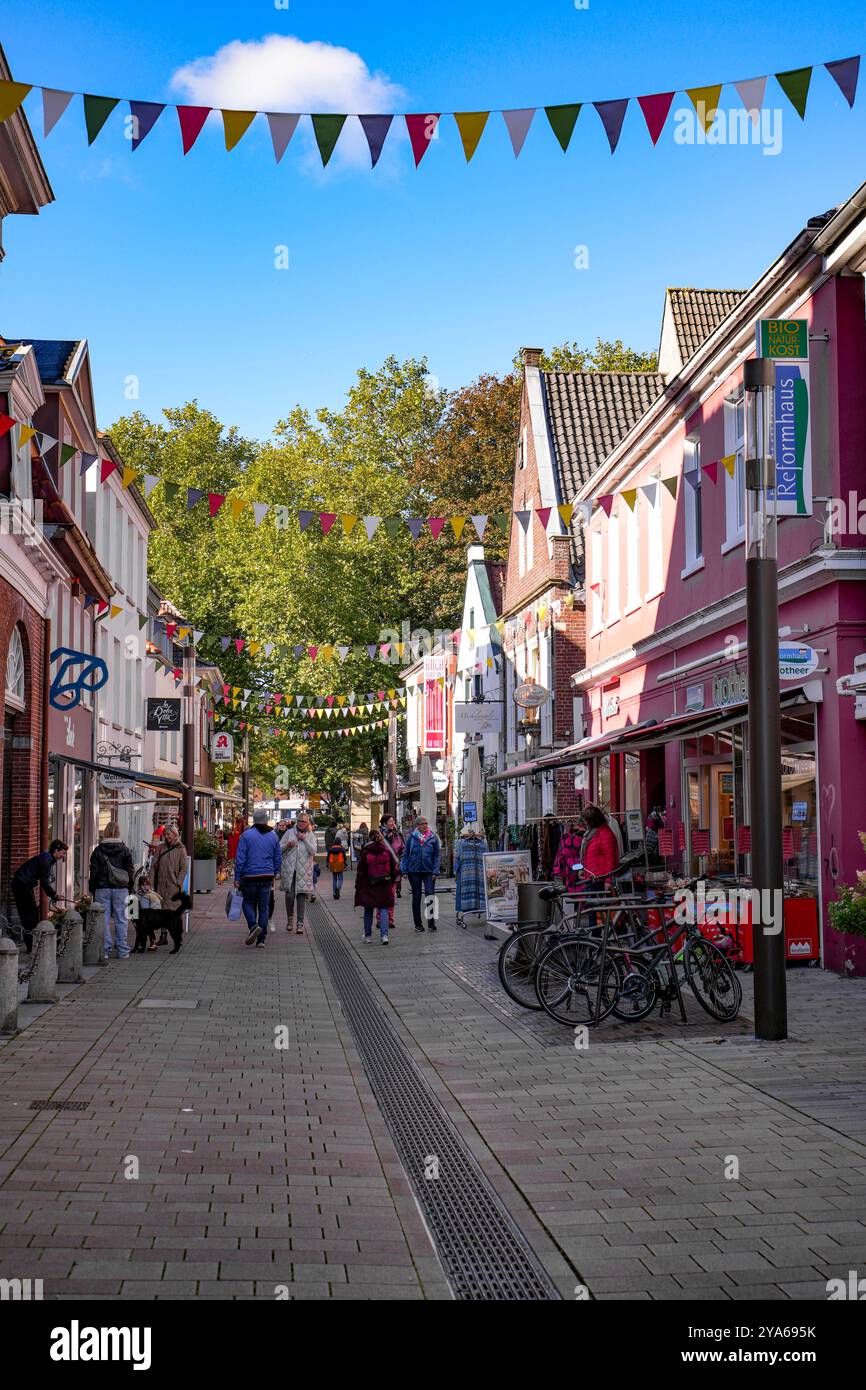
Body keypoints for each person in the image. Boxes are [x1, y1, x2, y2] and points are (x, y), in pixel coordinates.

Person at [234, 808, 281, 947]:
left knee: (247, 903)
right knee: (263, 907)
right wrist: (276, 871)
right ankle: (261, 939)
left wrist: (237, 876)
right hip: (267, 876)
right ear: (265, 820)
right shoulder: (273, 836)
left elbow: (240, 858)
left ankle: (253, 926)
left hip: (250, 876)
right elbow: (277, 857)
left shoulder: (246, 836)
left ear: (254, 820)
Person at [89, 821, 136, 960]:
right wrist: (130, 886)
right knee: (121, 919)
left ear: (106, 832)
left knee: (102, 920)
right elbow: (130, 870)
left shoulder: (98, 850)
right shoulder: (125, 849)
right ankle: (122, 950)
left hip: (102, 889)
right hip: (121, 889)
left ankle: (105, 950)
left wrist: (92, 888)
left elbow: (94, 871)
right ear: (118, 832)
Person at [11, 840, 68, 953]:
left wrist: (53, 894)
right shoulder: (47, 860)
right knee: (30, 916)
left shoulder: (49, 859)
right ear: (56, 851)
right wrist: (54, 895)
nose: (63, 856)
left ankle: (33, 945)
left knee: (31, 915)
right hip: (21, 885)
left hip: (24, 884)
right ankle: (32, 947)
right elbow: (45, 882)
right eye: (63, 853)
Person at [355, 827, 396, 944]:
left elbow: (360, 871)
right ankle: (384, 936)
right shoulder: (386, 851)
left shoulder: (366, 851)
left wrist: (358, 886)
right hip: (384, 884)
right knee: (383, 909)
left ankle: (367, 936)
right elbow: (393, 869)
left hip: (369, 884)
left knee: (368, 910)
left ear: (369, 838)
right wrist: (391, 882)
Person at [400, 815, 441, 933]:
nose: (425, 825)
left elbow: (437, 855)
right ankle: (418, 924)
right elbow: (406, 855)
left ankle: (431, 923)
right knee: (416, 896)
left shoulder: (433, 837)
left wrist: (435, 870)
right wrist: (404, 870)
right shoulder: (411, 838)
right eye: (422, 824)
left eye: (426, 823)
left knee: (430, 894)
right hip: (414, 871)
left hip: (429, 871)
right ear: (417, 826)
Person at [151, 823, 189, 945]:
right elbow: (153, 867)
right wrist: (151, 883)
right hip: (161, 884)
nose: (166, 836)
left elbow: (184, 868)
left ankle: (178, 936)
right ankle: (163, 936)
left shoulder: (180, 848)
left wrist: (178, 883)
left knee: (174, 912)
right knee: (163, 911)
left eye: (168, 834)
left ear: (174, 834)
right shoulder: (160, 848)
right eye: (165, 834)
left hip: (173, 885)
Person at [279, 813, 317, 934]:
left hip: (303, 871)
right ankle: (290, 919)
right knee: (289, 896)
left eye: (304, 821)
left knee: (301, 897)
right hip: (290, 870)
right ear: (297, 821)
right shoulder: (289, 833)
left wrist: (304, 839)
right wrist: (287, 845)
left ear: (308, 823)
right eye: (300, 821)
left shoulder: (310, 835)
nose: (301, 823)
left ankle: (300, 923)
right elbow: (279, 848)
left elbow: (313, 851)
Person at [580, 804, 620, 884]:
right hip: (592, 877)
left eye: (586, 821)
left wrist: (608, 881)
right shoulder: (593, 832)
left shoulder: (605, 834)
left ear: (592, 820)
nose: (585, 823)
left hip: (600, 878)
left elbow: (610, 859)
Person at [454, 823, 488, 915]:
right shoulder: (462, 845)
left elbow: (456, 861)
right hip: (478, 878)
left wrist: (456, 872)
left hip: (467, 878)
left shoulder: (482, 846)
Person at [378, 814, 405, 929]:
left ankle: (390, 919)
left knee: (391, 895)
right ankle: (380, 919)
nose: (392, 823)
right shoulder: (378, 835)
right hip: (380, 869)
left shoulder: (397, 834)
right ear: (384, 823)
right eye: (390, 821)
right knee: (381, 895)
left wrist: (401, 859)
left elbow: (403, 848)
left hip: (393, 869)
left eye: (393, 821)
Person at [552, 819, 586, 892]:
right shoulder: (589, 837)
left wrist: (557, 872)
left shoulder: (566, 838)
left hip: (574, 875)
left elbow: (560, 857)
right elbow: (560, 857)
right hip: (583, 874)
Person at [327, 821, 349, 899]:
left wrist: (327, 864)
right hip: (340, 864)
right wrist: (345, 863)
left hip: (333, 864)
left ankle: (334, 892)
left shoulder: (330, 849)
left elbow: (327, 858)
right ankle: (338, 889)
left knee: (334, 879)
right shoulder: (342, 849)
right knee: (340, 878)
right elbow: (345, 858)